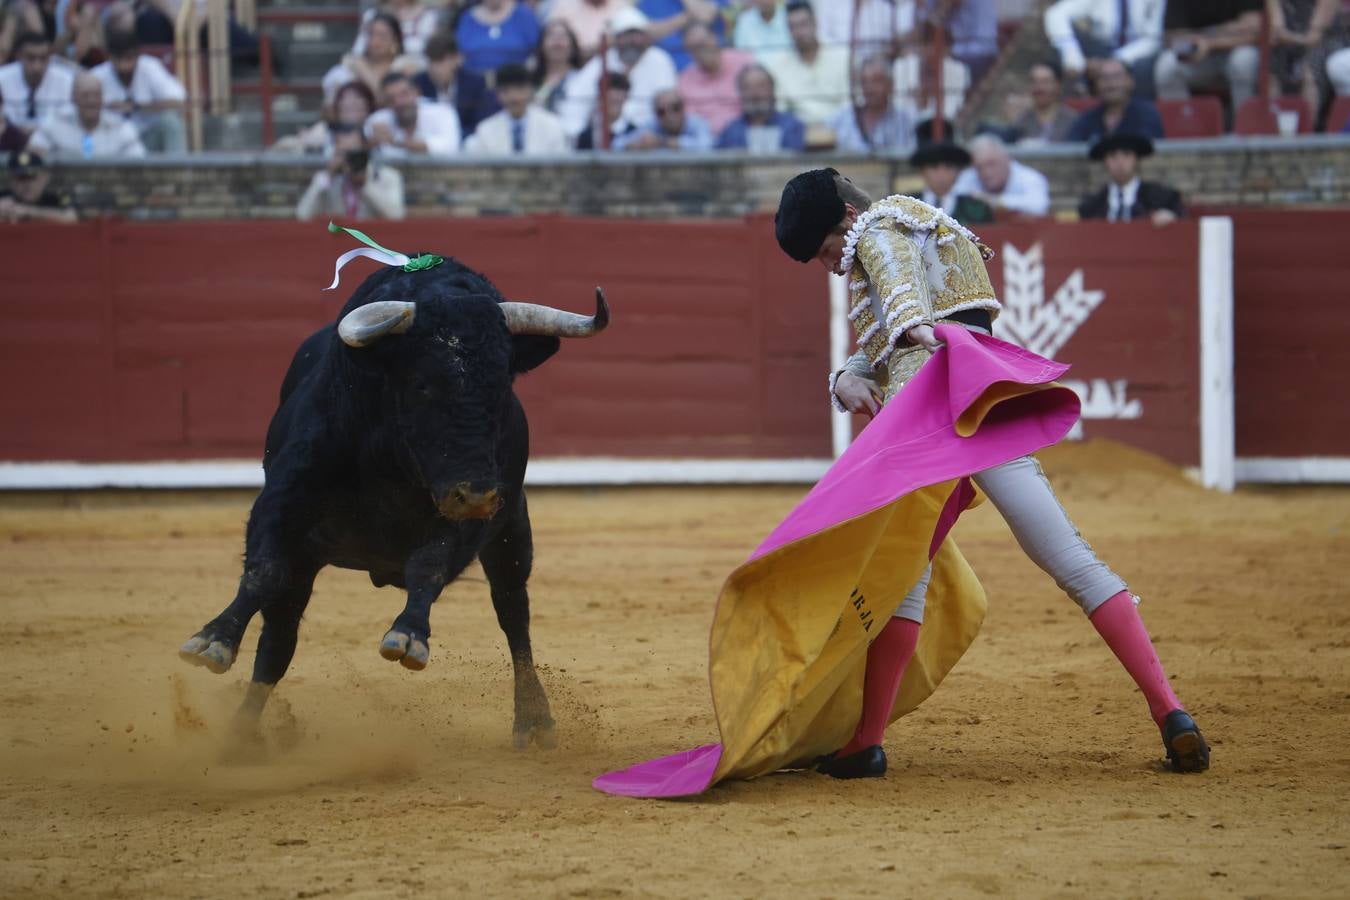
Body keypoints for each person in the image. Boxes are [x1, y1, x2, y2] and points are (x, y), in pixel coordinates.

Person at [771, 167, 1210, 778]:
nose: (831, 266)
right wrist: (844, 375)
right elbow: (881, 344)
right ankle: (1172, 713)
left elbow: (899, 301)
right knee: (1075, 563)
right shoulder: (921, 219)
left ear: (845, 217)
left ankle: (867, 742)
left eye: (824, 252)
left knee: (906, 575)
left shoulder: (873, 227)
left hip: (928, 418)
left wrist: (908, 328)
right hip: (984, 406)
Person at [564, 8, 677, 142]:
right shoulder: (602, 61)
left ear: (646, 37)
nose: (632, 40)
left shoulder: (660, 60)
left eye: (637, 34)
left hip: (651, 139)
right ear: (616, 38)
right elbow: (576, 100)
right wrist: (577, 135)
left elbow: (669, 103)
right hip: (607, 137)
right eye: (626, 35)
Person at [1153, 0, 1261, 113]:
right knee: (1167, 67)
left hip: (1235, 51)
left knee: (1244, 60)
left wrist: (1210, 42)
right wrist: (1225, 31)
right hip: (1198, 57)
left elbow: (1253, 29)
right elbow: (1172, 36)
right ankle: (1183, 125)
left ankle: (1245, 125)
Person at [90, 28, 186, 153]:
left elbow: (179, 101)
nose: (124, 65)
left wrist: (136, 106)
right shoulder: (97, 76)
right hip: (112, 144)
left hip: (147, 138)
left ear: (137, 55)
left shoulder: (150, 67)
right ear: (110, 57)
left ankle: (178, 172)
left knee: (171, 123)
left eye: (128, 58)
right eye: (119, 58)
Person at [1043, 0, 1166, 96]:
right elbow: (1056, 14)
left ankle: (1138, 114)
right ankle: (1080, 97)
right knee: (1065, 48)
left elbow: (1153, 39)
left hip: (1138, 53)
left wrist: (1114, 60)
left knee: (1143, 67)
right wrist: (1073, 56)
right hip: (1102, 49)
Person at [761, 0, 849, 128]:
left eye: (803, 24)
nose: (799, 32)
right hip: (798, 134)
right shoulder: (778, 65)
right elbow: (781, 110)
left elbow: (848, 105)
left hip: (840, 129)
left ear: (815, 23)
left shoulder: (842, 56)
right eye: (793, 27)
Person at [295, 126, 405, 221]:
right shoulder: (328, 180)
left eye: (352, 153)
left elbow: (395, 216)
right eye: (342, 153)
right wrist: (327, 176)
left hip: (373, 241)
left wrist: (365, 185)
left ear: (364, 152)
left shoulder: (388, 176)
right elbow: (302, 215)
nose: (348, 159)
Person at [27, 70, 145, 158]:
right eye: (85, 95)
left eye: (96, 95)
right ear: (73, 98)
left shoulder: (121, 127)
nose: (91, 101)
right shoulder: (54, 122)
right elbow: (34, 152)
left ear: (102, 98)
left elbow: (138, 161)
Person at [464, 62, 570, 154]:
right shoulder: (485, 130)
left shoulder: (552, 126)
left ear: (531, 90)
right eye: (506, 90)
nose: (514, 97)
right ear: (497, 95)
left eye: (520, 88)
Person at [1269, 0, 1350, 118]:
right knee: (1271, 66)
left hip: (1326, 40)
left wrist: (1289, 38)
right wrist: (1280, 33)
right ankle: (1275, 125)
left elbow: (1313, 37)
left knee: (1310, 67)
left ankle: (1307, 126)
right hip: (1291, 38)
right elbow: (1276, 28)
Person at [1078, 132, 1182, 224]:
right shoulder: (1091, 206)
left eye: (1126, 154)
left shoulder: (1162, 198)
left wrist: (1171, 218)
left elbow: (1183, 223)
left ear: (1137, 160)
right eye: (1112, 156)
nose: (1120, 162)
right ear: (1105, 162)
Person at [414, 31, 500, 137]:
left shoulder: (474, 83)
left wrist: (452, 138)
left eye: (441, 60)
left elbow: (480, 123)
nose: (435, 68)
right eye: (431, 61)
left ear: (456, 59)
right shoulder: (419, 83)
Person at [322, 12, 420, 105]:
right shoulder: (349, 66)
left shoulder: (406, 67)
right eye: (371, 34)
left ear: (395, 41)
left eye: (382, 36)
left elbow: (385, 100)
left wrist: (363, 69)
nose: (374, 41)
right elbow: (330, 106)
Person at [676, 19, 750, 136]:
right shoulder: (685, 81)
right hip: (707, 144)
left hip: (744, 133)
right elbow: (692, 124)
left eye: (704, 42)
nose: (701, 50)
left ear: (715, 38)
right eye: (694, 47)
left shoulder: (744, 62)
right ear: (688, 52)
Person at [828, 54, 915, 153]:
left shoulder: (904, 121)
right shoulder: (842, 118)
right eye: (864, 82)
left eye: (876, 81)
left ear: (890, 85)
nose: (869, 88)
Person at [1065, 56, 1164, 142]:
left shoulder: (1146, 114)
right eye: (1104, 78)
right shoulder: (1087, 118)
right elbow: (1071, 150)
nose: (1111, 84)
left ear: (1130, 81)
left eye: (1116, 77)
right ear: (1096, 85)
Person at [365, 71, 462, 157]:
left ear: (417, 93)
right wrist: (373, 142)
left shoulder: (443, 112)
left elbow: (449, 147)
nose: (399, 102)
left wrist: (396, 141)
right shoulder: (377, 120)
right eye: (391, 98)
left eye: (404, 94)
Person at [951, 133, 1050, 216]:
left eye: (991, 164)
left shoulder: (1030, 178)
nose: (986, 172)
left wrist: (996, 202)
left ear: (1007, 159)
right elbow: (952, 202)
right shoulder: (969, 176)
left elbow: (1039, 206)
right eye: (979, 167)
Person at [714, 61, 804, 151]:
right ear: (740, 93)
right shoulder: (732, 130)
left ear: (772, 90)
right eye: (747, 88)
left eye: (761, 86)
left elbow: (795, 159)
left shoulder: (791, 125)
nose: (755, 94)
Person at [891, 21, 970, 121]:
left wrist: (934, 99)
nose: (932, 51)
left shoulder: (958, 71)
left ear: (947, 50)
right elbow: (897, 108)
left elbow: (952, 112)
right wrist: (919, 105)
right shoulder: (901, 67)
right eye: (928, 44)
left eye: (938, 45)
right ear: (920, 47)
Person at [273, 80, 377, 156]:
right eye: (344, 99)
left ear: (369, 104)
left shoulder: (377, 127)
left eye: (357, 97)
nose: (351, 103)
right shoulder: (323, 129)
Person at [0, 31, 74, 134]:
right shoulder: (2, 79)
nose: (37, 67)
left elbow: (69, 122)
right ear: (18, 56)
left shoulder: (67, 81)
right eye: (31, 58)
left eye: (43, 58)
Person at [908, 139, 992, 224]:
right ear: (922, 171)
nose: (941, 174)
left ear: (958, 172)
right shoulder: (907, 206)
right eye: (934, 167)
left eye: (949, 167)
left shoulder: (977, 209)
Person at [455, 0, 540, 79]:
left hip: (516, 85)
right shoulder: (467, 18)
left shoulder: (524, 16)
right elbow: (459, 57)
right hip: (475, 86)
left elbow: (535, 56)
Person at [636, 0, 729, 72]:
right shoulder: (650, 2)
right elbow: (647, 34)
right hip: (667, 67)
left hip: (709, 65)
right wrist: (690, 15)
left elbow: (705, 16)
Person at [614, 85, 713, 149]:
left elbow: (707, 146)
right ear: (655, 113)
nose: (670, 115)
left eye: (675, 108)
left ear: (683, 108)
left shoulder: (697, 123)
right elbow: (616, 144)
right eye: (661, 112)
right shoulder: (652, 125)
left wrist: (664, 142)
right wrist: (635, 144)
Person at [1006, 59, 1078, 144]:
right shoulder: (1021, 121)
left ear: (1058, 85)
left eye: (1046, 82)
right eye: (1034, 81)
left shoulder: (1073, 121)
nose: (1039, 88)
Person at [0, 148, 76, 223]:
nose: (27, 184)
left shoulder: (55, 198)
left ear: (45, 178)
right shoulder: (3, 197)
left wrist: (29, 211)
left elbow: (72, 217)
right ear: (10, 180)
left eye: (32, 178)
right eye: (21, 178)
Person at [533, 19, 585, 121]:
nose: (557, 42)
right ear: (541, 45)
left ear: (573, 46)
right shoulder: (531, 81)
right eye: (551, 36)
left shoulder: (582, 79)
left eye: (562, 37)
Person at [351, 0, 440, 60]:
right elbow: (358, 49)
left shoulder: (427, 16)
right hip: (373, 63)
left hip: (410, 66)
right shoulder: (371, 15)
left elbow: (423, 49)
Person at [575, 70, 640, 149]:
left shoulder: (634, 133)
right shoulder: (587, 135)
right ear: (600, 96)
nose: (615, 97)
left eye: (619, 93)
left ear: (626, 97)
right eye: (610, 96)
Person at [547, 0, 633, 59]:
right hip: (574, 66)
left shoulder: (621, 4)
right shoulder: (565, 4)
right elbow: (551, 37)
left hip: (614, 65)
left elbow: (632, 36)